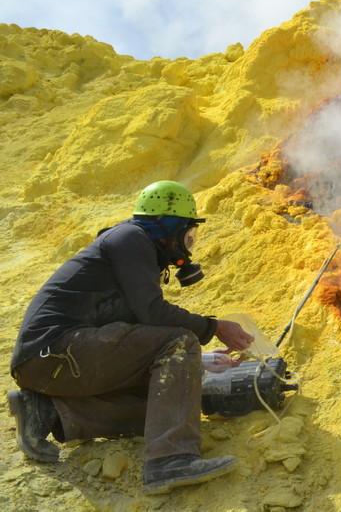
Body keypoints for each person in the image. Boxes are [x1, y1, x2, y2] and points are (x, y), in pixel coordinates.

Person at [6, 180, 255, 495]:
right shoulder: (130, 238)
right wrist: (213, 327)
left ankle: (47, 412)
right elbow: (152, 313)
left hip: (54, 362)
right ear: (170, 226)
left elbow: (136, 336)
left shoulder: (131, 249)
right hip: (53, 352)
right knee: (180, 341)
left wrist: (197, 361)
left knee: (166, 405)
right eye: (188, 233)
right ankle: (170, 461)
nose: (188, 243)